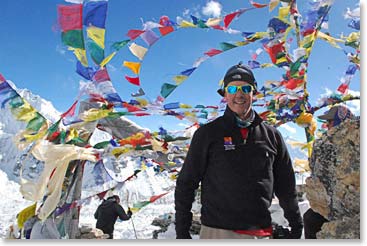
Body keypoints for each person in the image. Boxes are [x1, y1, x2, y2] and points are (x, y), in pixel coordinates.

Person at [175, 62, 303, 239]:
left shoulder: (272, 136)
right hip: (218, 232)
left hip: (262, 232)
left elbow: (286, 185)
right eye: (233, 89)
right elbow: (186, 183)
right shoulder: (207, 134)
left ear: (253, 92)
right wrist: (182, 230)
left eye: (245, 88)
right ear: (225, 94)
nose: (239, 94)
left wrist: (296, 223)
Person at [303, 104, 355, 239]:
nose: (327, 125)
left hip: (348, 207)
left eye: (330, 121)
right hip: (330, 203)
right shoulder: (325, 143)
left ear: (341, 120)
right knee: (310, 217)